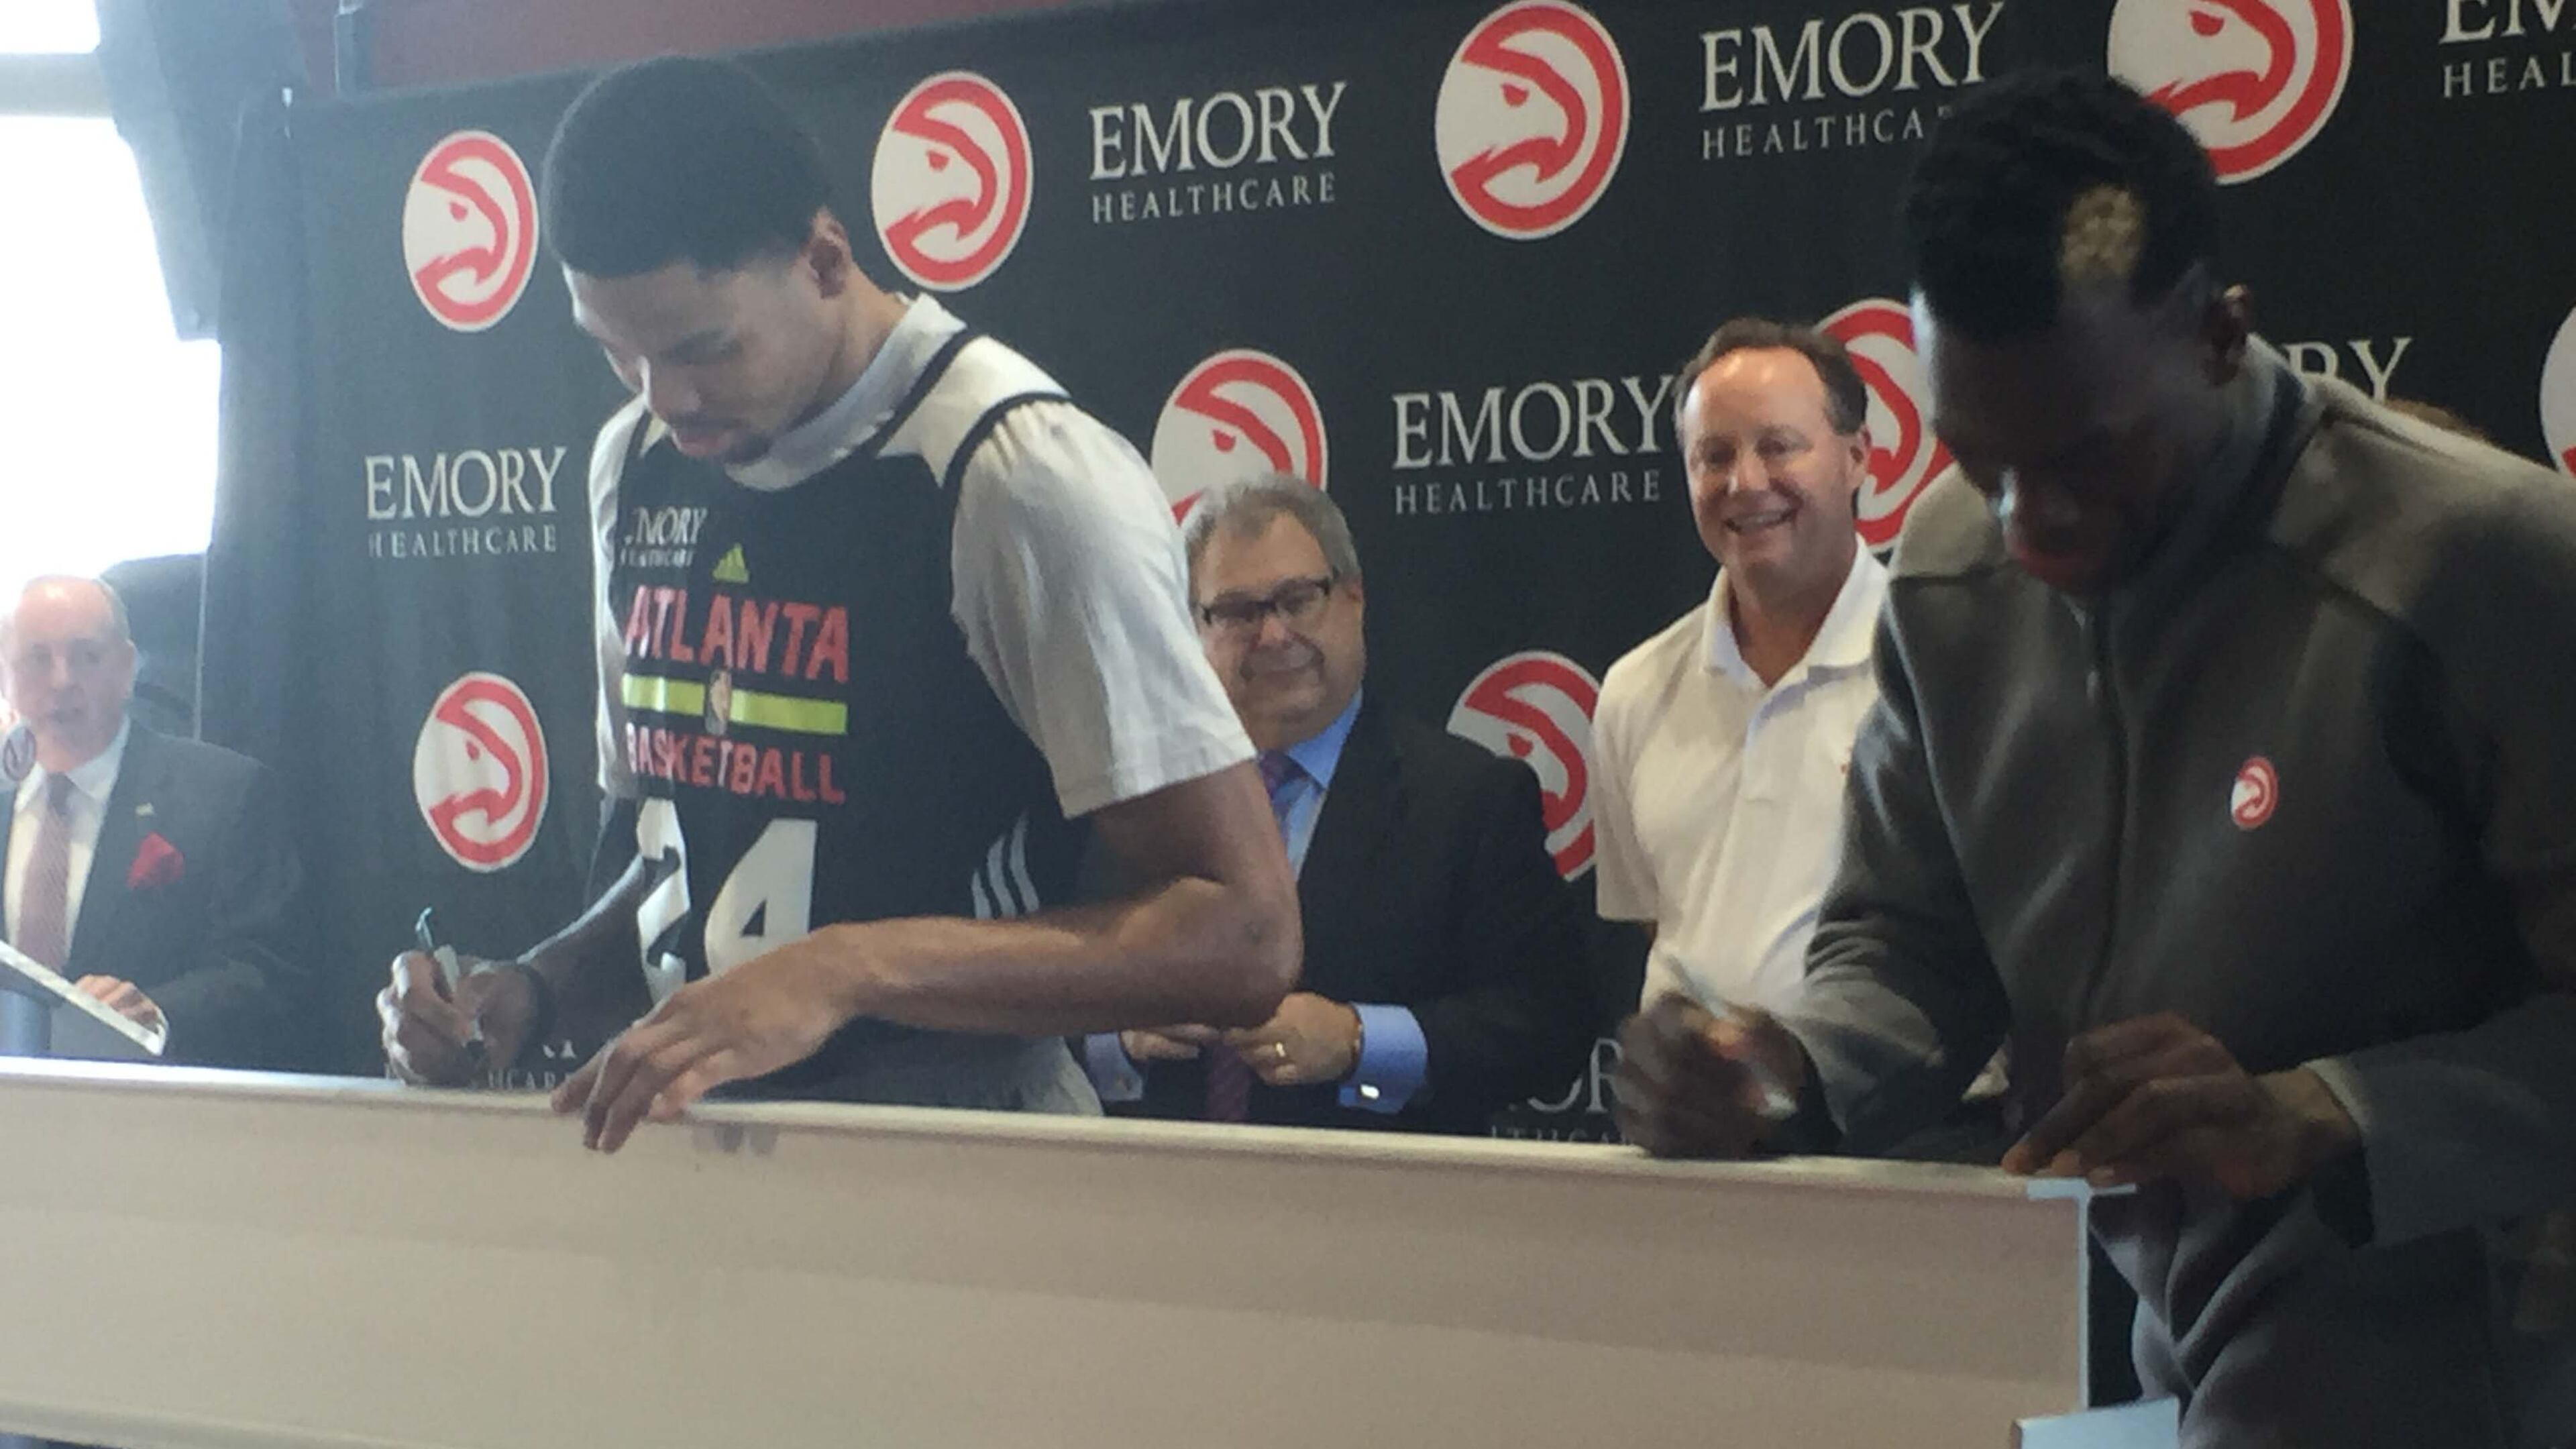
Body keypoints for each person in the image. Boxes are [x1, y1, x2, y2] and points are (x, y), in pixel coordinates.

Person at [1611, 70, 2576, 1448]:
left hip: (2483, 1374)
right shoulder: (1947, 573)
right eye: (1976, 459)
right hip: (2155, 1356)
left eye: (2083, 459)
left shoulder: (2476, 565)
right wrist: (1785, 1065)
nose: (2025, 525)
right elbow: (1906, 941)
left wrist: (2331, 1112)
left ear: (2220, 338)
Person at [378, 56, 1299, 1150]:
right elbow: (692, 871)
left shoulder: (1013, 475)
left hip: (959, 1168)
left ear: (823, 260)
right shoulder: (633, 462)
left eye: (701, 349)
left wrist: (848, 971)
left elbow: (1243, 936)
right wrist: (531, 988)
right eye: (615, 351)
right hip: (692, 1165)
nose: (664, 399)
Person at [1082, 476, 1593, 1133]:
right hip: (1153, 1208)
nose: (1273, 635)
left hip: (1376, 1212)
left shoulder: (1469, 800)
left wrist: (1359, 1041)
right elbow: (1042, 1002)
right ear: (1192, 634)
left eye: (1298, 599)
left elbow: (1552, 1026)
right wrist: (1118, 1040)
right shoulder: (1136, 801)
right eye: (1236, 612)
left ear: (1354, 600)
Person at [1590, 318, 1888, 1020]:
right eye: (1713, 456)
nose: (1745, 483)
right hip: (1691, 1122)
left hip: (1900, 1121)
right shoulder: (1636, 690)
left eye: (1779, 447)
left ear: (1856, 458)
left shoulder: (1940, 667)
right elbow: (1656, 919)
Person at [0, 576, 307, 1067]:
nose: (62, 680)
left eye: (86, 656)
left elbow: (264, 973)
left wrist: (155, 1011)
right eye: (38, 658)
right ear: (5, 675)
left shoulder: (225, 793)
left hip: (152, 1113)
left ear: (126, 668)